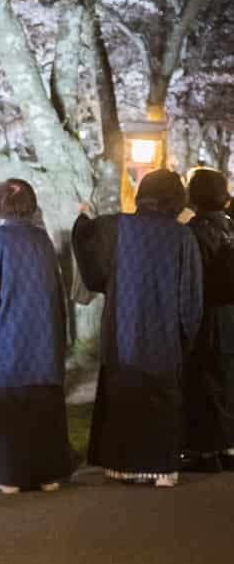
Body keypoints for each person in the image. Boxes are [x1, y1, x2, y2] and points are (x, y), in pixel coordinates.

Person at [72, 169, 203, 487]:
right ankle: (161, 468)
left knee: (124, 393)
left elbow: (91, 262)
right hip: (164, 332)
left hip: (123, 328)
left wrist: (82, 219)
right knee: (161, 397)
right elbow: (191, 293)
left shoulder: (115, 228)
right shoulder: (181, 236)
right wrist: (187, 334)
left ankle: (124, 465)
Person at [0, 179, 75, 493]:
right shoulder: (41, 241)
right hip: (44, 339)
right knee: (44, 407)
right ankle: (50, 472)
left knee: (11, 410)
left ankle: (11, 475)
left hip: (8, 341)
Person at [182, 168, 234, 472]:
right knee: (228, 380)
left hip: (208, 315)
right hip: (231, 314)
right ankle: (229, 447)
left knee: (206, 381)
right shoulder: (230, 225)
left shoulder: (194, 230)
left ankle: (207, 450)